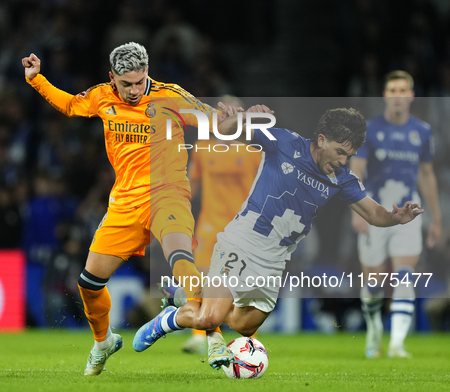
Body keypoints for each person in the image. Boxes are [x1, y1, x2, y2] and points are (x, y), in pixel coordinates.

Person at [133, 107, 424, 370]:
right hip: (242, 243)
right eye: (339, 152)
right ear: (321, 140)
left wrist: (396, 217)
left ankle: (186, 292)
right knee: (210, 318)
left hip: (274, 262)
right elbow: (224, 129)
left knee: (243, 325)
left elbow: (374, 213)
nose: (343, 160)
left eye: (348, 155)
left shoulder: (342, 179)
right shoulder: (284, 142)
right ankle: (166, 322)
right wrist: (244, 116)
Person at [22, 42, 237, 376]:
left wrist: (226, 121)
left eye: (139, 81)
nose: (135, 90)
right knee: (89, 283)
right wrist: (36, 79)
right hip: (124, 202)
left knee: (180, 257)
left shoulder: (171, 96)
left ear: (147, 71)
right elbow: (68, 105)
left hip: (169, 193)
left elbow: (211, 121)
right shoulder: (101, 96)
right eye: (126, 84)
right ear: (112, 78)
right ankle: (103, 342)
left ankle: (213, 337)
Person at [349, 71, 441, 359]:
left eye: (403, 89)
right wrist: (358, 210)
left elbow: (427, 174)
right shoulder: (370, 130)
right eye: (392, 89)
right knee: (374, 283)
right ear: (386, 95)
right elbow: (357, 171)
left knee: (404, 276)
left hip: (408, 211)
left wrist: (436, 219)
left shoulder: (423, 131)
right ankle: (375, 330)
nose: (398, 95)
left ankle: (398, 344)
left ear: (411, 95)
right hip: (375, 209)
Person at [182, 98, 262, 354]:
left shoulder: (253, 153)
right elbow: (191, 185)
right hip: (209, 224)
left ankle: (250, 338)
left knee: (243, 284)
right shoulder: (202, 148)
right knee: (202, 278)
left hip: (240, 228)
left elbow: (258, 194)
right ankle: (200, 334)